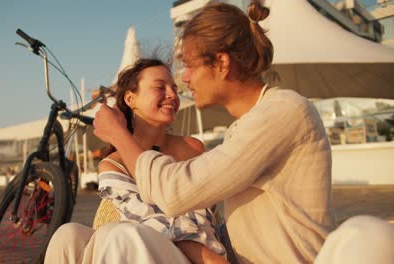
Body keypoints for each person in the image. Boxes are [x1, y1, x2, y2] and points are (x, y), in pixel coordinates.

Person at [93, 1, 335, 263]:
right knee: (71, 236)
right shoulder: (246, 126)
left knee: (122, 238)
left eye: (189, 66)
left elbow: (175, 193)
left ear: (221, 63)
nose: (184, 80)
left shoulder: (281, 112)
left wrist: (118, 134)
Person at [45, 58, 228, 264]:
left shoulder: (191, 148)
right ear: (131, 99)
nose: (172, 95)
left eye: (174, 89)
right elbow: (146, 221)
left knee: (120, 234)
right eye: (160, 87)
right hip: (148, 248)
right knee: (68, 234)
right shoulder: (113, 164)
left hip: (191, 255)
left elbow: (199, 219)